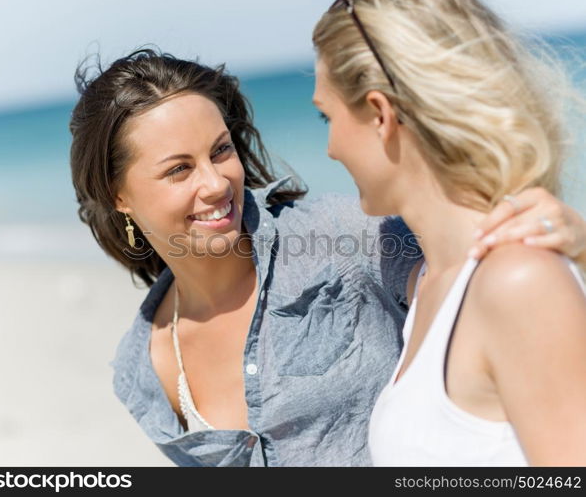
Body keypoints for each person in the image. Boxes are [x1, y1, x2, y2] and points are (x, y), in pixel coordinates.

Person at [69, 48, 586, 466]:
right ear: (119, 195)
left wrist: (565, 240)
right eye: (179, 169)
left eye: (221, 151)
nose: (215, 182)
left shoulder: (342, 237)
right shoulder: (141, 370)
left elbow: (478, 272)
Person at [312, 0, 586, 466]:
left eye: (327, 117)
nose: (331, 148)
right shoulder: (427, 283)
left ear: (381, 114)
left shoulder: (516, 281)